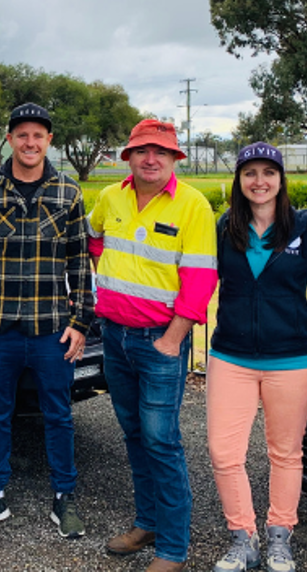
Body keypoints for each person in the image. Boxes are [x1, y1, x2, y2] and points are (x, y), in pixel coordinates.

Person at [0, 102, 94, 539]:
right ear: (9, 138)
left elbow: (80, 263)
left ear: (48, 141)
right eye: (22, 135)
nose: (30, 142)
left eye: (38, 135)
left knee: (58, 415)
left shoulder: (68, 193)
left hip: (52, 329)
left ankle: (64, 497)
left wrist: (81, 322)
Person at [87, 119, 217, 572]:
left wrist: (172, 339)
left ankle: (174, 549)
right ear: (129, 156)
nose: (151, 159)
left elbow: (201, 279)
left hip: (160, 341)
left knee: (162, 440)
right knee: (135, 435)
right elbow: (94, 238)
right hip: (115, 339)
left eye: (161, 152)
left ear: (175, 159)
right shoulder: (110, 197)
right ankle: (147, 523)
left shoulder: (192, 205)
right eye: (142, 150)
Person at [208, 143, 307, 572]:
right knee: (224, 453)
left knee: (286, 452)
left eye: (268, 172)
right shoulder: (224, 228)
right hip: (231, 357)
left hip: (294, 359)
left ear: (281, 179)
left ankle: (280, 537)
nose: (259, 181)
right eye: (250, 173)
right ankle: (244, 538)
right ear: (239, 181)